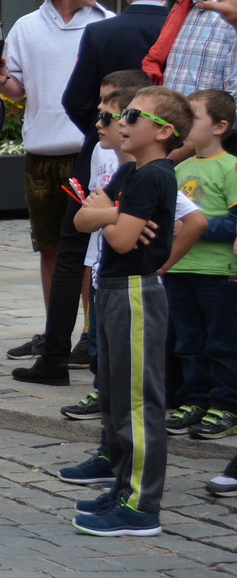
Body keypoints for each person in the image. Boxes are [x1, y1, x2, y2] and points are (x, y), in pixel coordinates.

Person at [16, 0, 175, 393]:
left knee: (71, 254)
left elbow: (76, 98)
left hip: (103, 154)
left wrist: (106, 126)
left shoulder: (105, 30)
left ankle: (56, 354)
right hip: (173, 150)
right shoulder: (183, 26)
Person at [70, 88, 200, 537]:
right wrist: (112, 212)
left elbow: (123, 241)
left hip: (135, 293)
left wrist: (108, 213)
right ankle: (122, 486)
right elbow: (81, 218)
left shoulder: (155, 176)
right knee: (114, 397)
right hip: (111, 290)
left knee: (137, 403)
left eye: (131, 114)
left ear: (164, 131)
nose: (120, 121)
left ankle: (142, 504)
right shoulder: (130, 172)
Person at [0, 0, 115, 361]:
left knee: (87, 252)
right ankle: (55, 335)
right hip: (40, 153)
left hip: (88, 152)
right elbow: (17, 88)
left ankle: (90, 334)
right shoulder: (27, 27)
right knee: (49, 248)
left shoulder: (106, 25)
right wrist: (1, 79)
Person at [162, 89, 237, 440]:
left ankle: (225, 404)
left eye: (195, 117)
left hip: (217, 273)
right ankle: (194, 399)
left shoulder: (231, 167)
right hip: (179, 269)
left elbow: (234, 224)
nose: (187, 124)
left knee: (221, 342)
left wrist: (196, 224)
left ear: (221, 126)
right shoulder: (180, 167)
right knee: (187, 341)